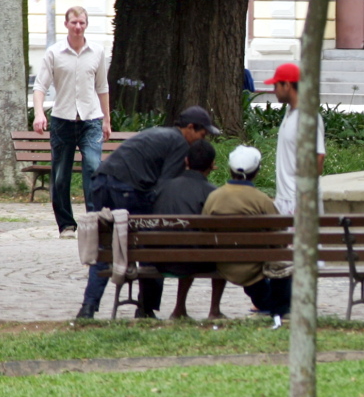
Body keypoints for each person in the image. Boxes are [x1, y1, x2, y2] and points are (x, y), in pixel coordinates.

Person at [76, 106, 220, 319]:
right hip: (127, 188)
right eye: (203, 134)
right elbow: (165, 187)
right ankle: (146, 308)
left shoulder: (160, 133)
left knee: (105, 246)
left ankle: (88, 308)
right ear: (190, 128)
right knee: (150, 245)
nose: (202, 139)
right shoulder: (180, 144)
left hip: (101, 182)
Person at [33, 6, 112, 237]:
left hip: (91, 120)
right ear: (66, 24)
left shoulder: (97, 52)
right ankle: (66, 224)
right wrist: (39, 113)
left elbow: (102, 87)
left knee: (93, 167)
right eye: (74, 22)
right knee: (60, 175)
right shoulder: (55, 53)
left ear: (86, 24)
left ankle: (93, 222)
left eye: (82, 23)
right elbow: (40, 86)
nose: (78, 27)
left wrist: (106, 120)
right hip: (63, 120)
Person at [136, 139, 223, 320]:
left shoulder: (163, 187)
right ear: (212, 165)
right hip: (194, 260)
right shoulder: (213, 193)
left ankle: (179, 308)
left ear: (186, 161)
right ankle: (214, 310)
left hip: (158, 260)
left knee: (187, 246)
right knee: (215, 253)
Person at [203, 145, 286, 320]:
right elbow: (280, 238)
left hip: (223, 264)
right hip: (255, 268)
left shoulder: (214, 197)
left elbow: (205, 230)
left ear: (230, 170)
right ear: (256, 172)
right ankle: (279, 307)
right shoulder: (261, 200)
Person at [264, 63, 327, 215]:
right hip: (286, 199)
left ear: (287, 85)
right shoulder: (290, 112)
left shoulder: (308, 117)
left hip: (300, 201)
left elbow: (318, 158)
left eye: (276, 86)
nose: (274, 90)